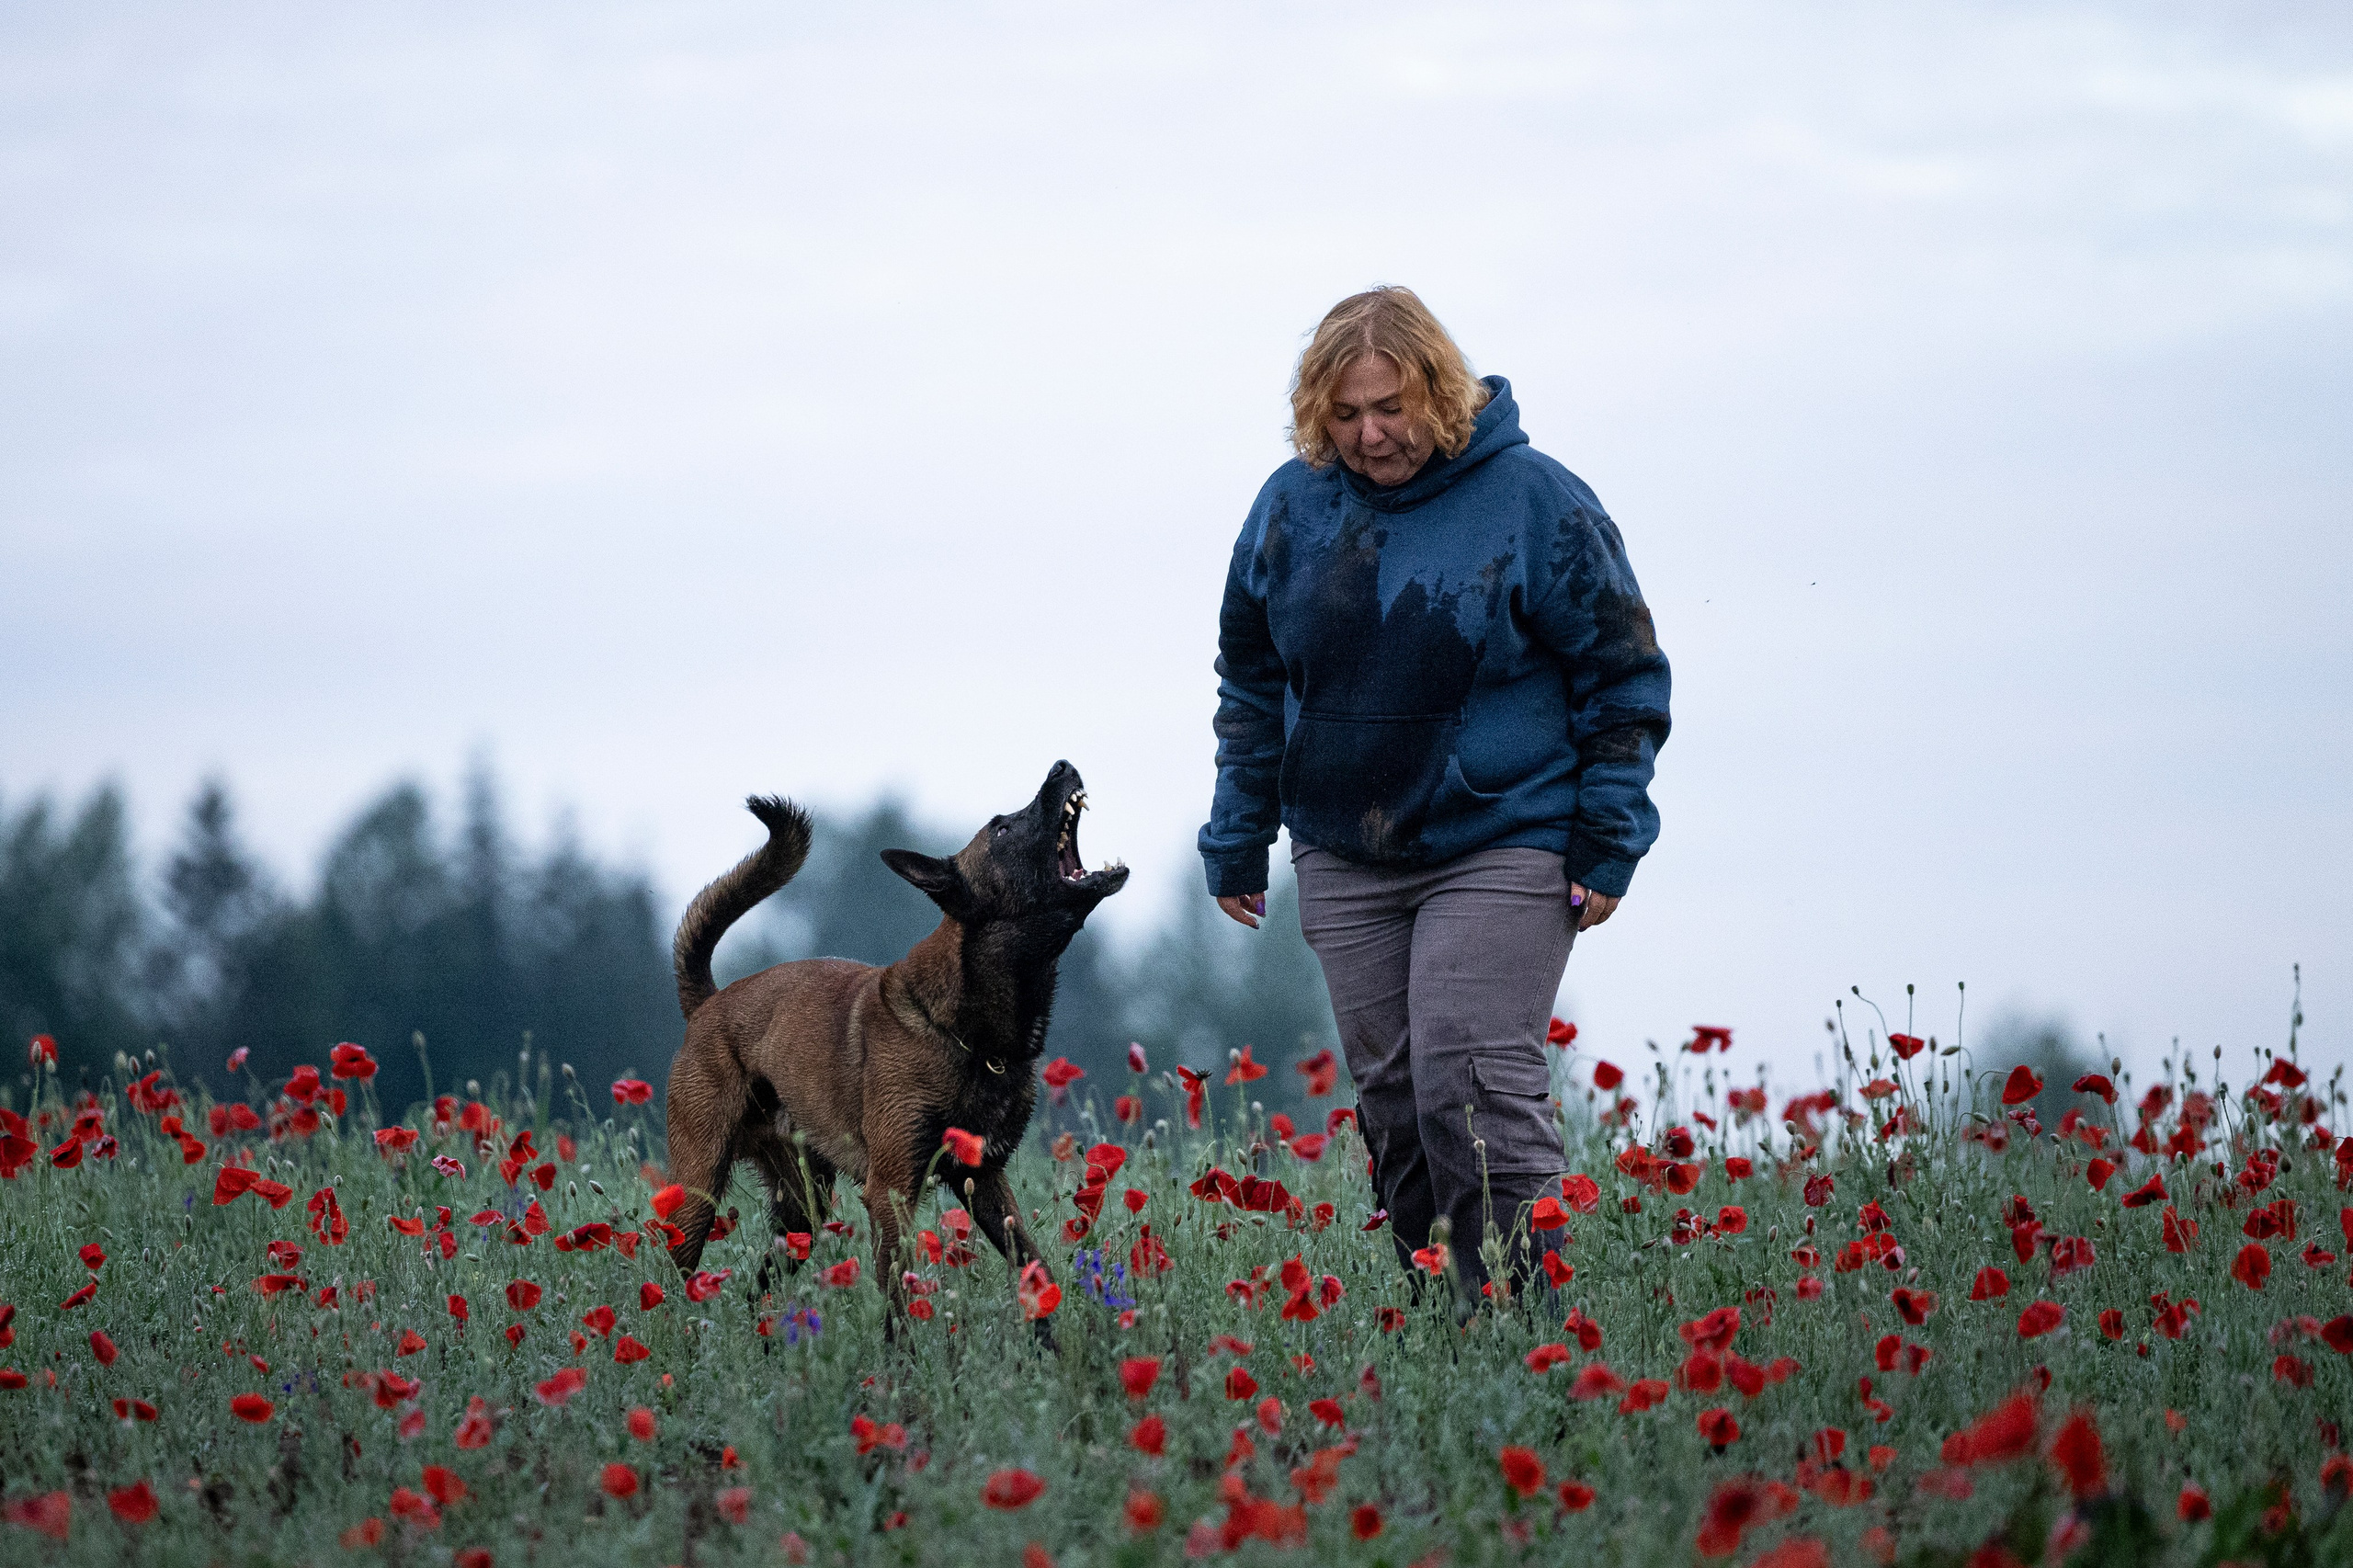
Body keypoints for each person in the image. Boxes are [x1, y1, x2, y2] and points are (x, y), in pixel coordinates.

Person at [1199, 286, 1670, 1303]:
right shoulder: (1289, 508)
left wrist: (1609, 838)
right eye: (1345, 414)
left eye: (1391, 407)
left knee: (1471, 1077)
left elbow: (1624, 677)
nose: (1370, 434)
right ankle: (1448, 1320)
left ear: (1441, 393)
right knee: (1397, 1104)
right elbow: (1252, 682)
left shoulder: (1536, 501)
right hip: (1345, 847)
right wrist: (1237, 834)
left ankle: (1535, 1325)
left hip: (1505, 835)